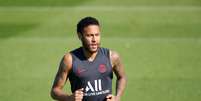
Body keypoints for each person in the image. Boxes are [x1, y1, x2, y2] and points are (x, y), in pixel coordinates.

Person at [50, 16, 127, 101]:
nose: (94, 40)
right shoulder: (69, 60)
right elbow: (55, 91)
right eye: (89, 35)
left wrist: (117, 97)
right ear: (80, 36)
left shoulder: (112, 56)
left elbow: (122, 77)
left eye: (97, 35)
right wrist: (69, 98)